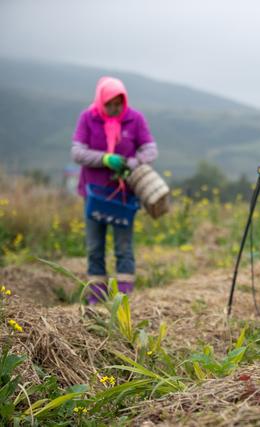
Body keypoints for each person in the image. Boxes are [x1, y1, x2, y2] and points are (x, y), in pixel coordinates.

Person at [71, 77, 158, 304]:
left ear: (124, 102)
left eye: (118, 104)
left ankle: (123, 297)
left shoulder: (135, 119)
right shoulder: (88, 118)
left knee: (123, 246)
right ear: (101, 102)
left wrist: (132, 162)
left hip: (124, 195)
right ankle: (97, 297)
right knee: (95, 246)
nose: (114, 109)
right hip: (94, 194)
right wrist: (104, 158)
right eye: (109, 104)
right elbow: (77, 153)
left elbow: (150, 150)